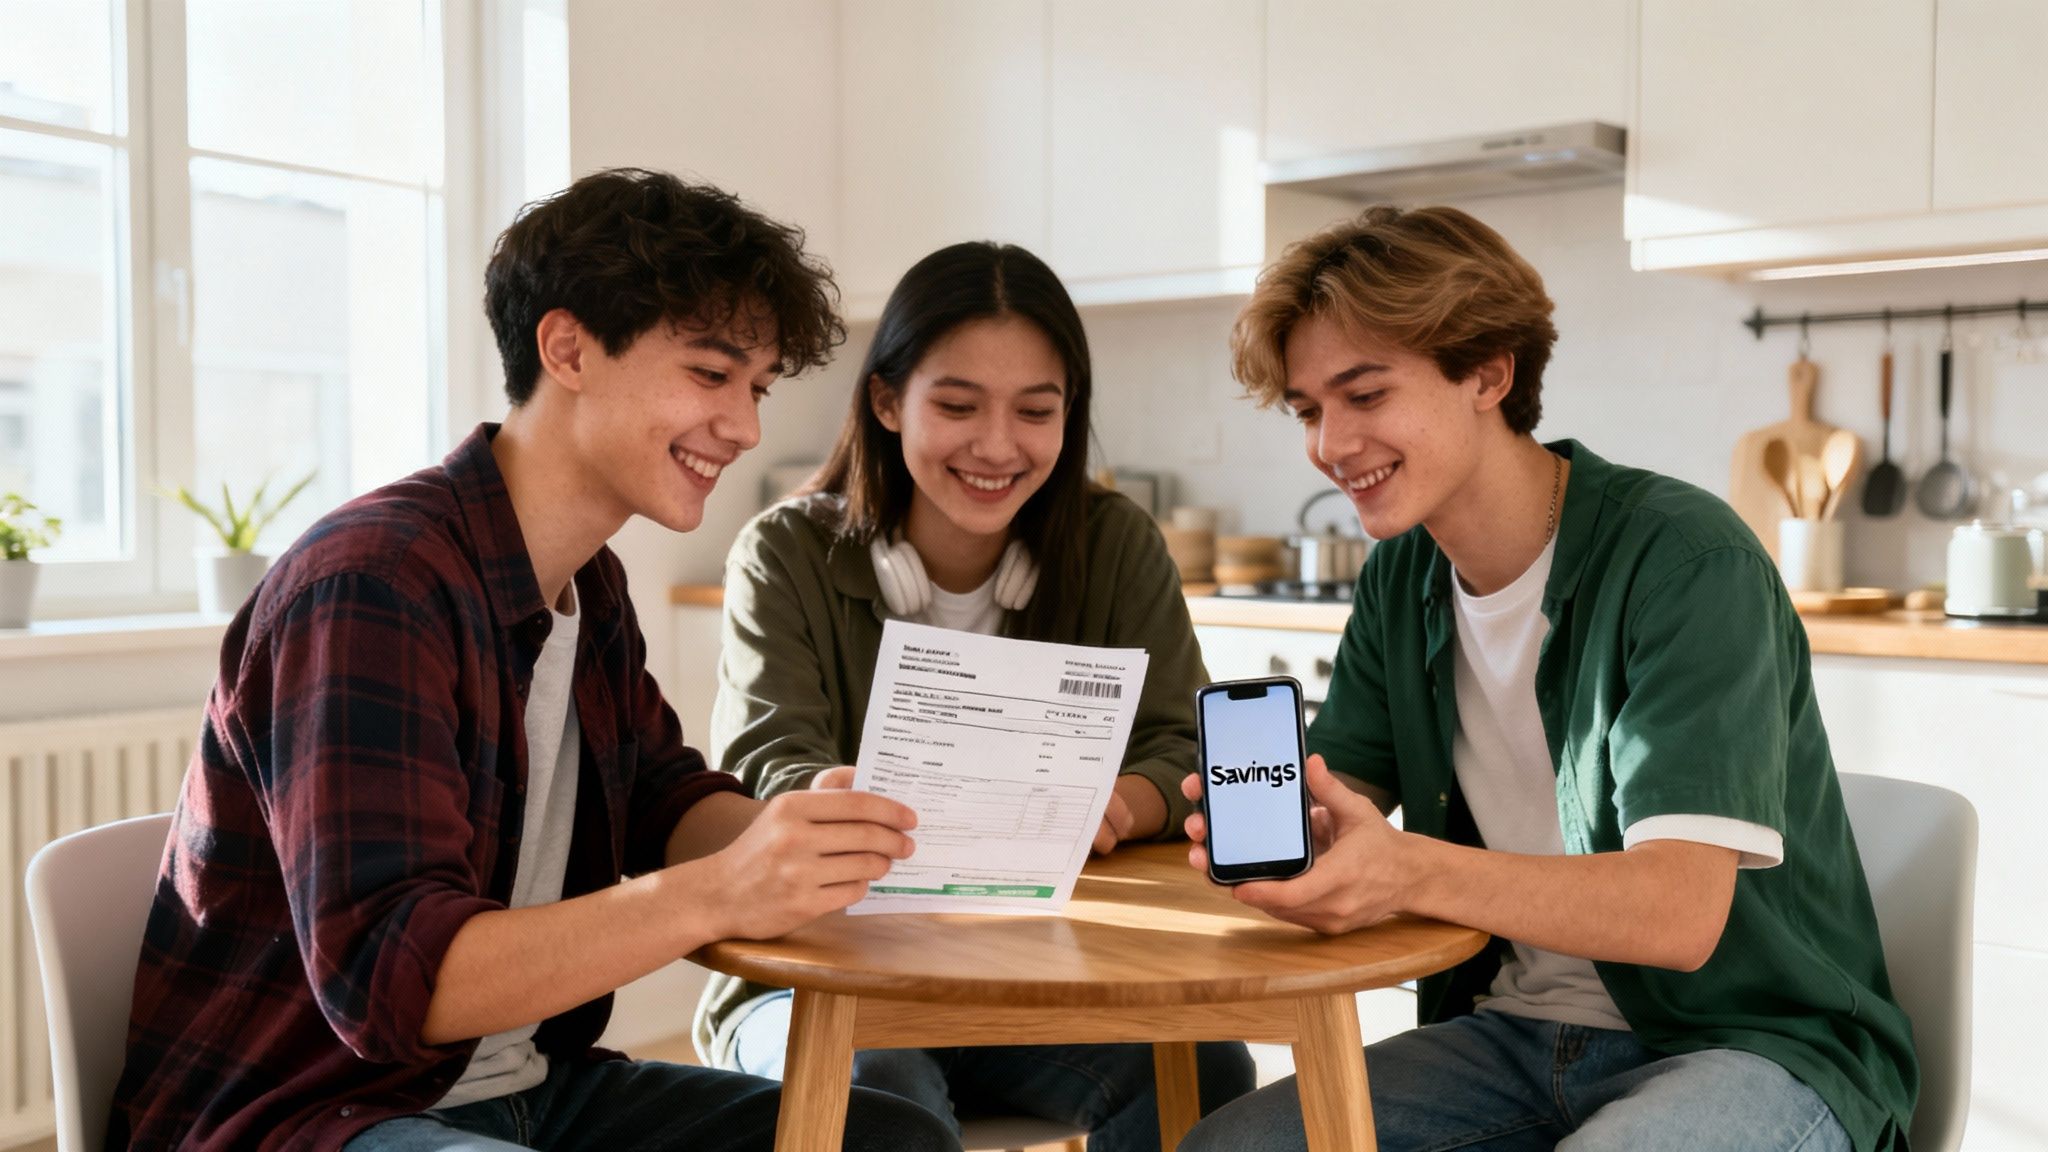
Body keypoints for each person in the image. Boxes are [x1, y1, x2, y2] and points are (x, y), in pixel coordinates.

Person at [108, 168, 957, 1152]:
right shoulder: (373, 582)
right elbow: (396, 980)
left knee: (895, 1141)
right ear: (568, 349)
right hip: (315, 1113)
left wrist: (813, 837)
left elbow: (658, 799)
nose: (746, 427)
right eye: (711, 375)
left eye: (756, 389)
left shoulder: (585, 585)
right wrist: (724, 889)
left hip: (530, 1089)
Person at [1176, 206, 1916, 1152]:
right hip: (1514, 1037)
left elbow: (1678, 912)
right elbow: (1344, 789)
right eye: (1309, 410)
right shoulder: (1404, 574)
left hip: (1752, 1048)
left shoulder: (1687, 562)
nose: (1329, 444)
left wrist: (1406, 869)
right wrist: (1292, 834)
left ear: (1489, 372)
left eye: (1365, 395)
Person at [694, 240, 1256, 1149]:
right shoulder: (784, 554)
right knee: (883, 1094)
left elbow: (1185, 743)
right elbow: (765, 762)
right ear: (886, 401)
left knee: (1208, 1069)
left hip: (1038, 971)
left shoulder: (1115, 544)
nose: (998, 447)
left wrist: (1127, 799)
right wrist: (839, 804)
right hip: (825, 974)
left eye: (1038, 411)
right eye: (957, 406)